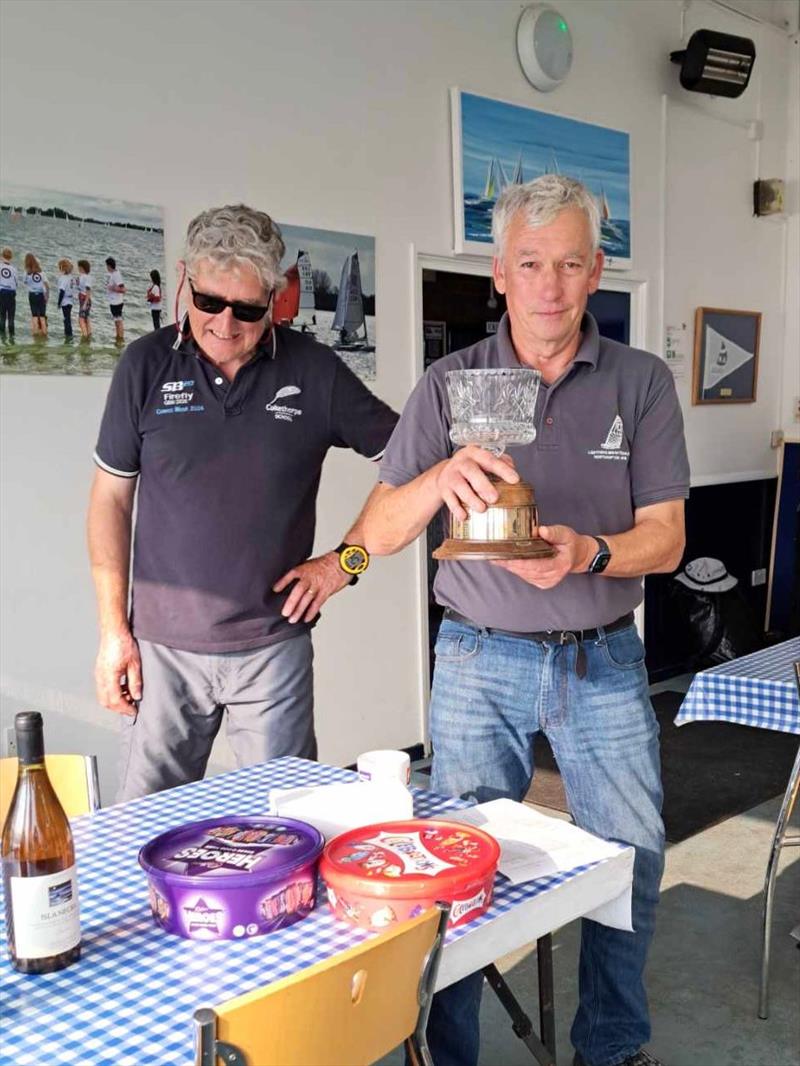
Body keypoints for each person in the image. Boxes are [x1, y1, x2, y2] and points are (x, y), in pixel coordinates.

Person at [361, 175, 689, 1066]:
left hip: (605, 658)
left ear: (597, 273)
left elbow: (666, 540)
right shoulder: (449, 384)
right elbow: (379, 534)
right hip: (476, 657)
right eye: (531, 263)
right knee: (455, 866)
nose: (550, 284)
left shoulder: (641, 381)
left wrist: (587, 553)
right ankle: (448, 1053)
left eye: (571, 264)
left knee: (632, 859)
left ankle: (613, 1047)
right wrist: (437, 479)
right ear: (499, 274)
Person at [87, 203, 397, 803]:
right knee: (144, 834)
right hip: (160, 651)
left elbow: (412, 464)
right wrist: (111, 632)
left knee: (289, 828)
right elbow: (110, 500)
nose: (225, 324)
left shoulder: (313, 369)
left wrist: (346, 562)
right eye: (209, 303)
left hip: (273, 651)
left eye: (248, 309)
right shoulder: (144, 365)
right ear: (184, 280)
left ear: (276, 298)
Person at [23, 253, 48, 337]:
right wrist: (47, 295)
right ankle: (44, 334)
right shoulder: (41, 272)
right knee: (42, 316)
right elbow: (47, 285)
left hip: (32, 295)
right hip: (41, 294)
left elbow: (25, 282)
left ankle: (35, 334)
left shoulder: (27, 272)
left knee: (34, 315)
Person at [104, 256, 125, 341]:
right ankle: (118, 337)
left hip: (117, 302)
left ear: (109, 266)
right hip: (113, 301)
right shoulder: (112, 274)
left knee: (118, 321)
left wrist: (113, 288)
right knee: (116, 321)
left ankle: (120, 337)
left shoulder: (116, 275)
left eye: (107, 266)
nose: (106, 268)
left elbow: (123, 289)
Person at [56, 258, 78, 340]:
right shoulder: (71, 278)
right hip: (71, 300)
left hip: (65, 300)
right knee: (67, 318)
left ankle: (68, 335)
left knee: (66, 319)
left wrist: (59, 303)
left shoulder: (63, 278)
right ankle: (69, 334)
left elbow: (62, 291)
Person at [0, 247, 17, 342]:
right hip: (11, 293)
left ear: (2, 255)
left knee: (2, 316)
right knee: (11, 317)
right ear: (11, 257)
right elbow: (16, 283)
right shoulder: (13, 269)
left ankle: (2, 338)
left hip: (2, 292)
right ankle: (12, 338)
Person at [77, 259, 92, 340]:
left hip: (84, 300)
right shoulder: (84, 277)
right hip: (84, 299)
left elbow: (88, 290)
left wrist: (85, 303)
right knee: (86, 319)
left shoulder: (85, 277)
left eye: (79, 267)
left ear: (82, 268)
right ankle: (88, 336)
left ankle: (85, 337)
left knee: (81, 320)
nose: (78, 269)